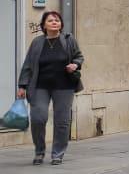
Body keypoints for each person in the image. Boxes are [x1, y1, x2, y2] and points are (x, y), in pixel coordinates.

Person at [17, 10, 83, 165]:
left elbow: (79, 56)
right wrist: (22, 85)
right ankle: (39, 151)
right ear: (44, 25)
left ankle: (57, 154)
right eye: (51, 20)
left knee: (62, 121)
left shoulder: (68, 40)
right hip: (40, 86)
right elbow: (28, 65)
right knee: (38, 118)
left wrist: (75, 64)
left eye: (57, 20)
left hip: (64, 86)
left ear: (61, 24)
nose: (55, 22)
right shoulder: (37, 42)